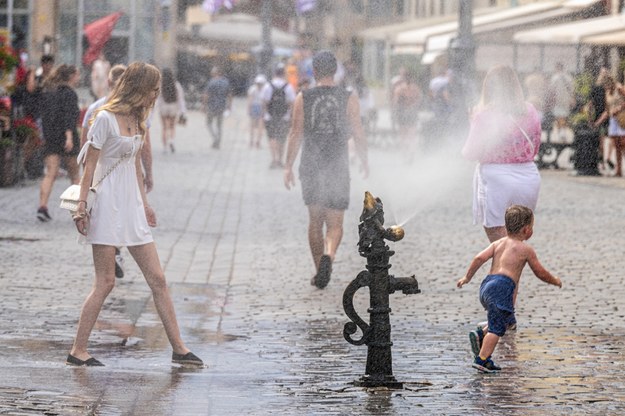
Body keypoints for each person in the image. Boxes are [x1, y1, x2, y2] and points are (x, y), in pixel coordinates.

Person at [69, 62, 203, 367]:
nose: (157, 94)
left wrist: (145, 204)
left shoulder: (139, 119)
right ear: (138, 87)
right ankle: (78, 349)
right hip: (105, 205)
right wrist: (80, 207)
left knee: (158, 278)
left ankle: (179, 348)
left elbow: (134, 167)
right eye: (153, 88)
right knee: (105, 282)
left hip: (131, 205)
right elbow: (88, 167)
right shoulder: (104, 118)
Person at [283, 50, 369, 289]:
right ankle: (329, 256)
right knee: (335, 223)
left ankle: (318, 268)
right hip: (338, 164)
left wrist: (288, 165)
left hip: (311, 164)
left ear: (314, 71)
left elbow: (295, 133)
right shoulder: (348, 97)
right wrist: (364, 160)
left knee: (315, 221)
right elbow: (358, 131)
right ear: (335, 71)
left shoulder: (303, 97)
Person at [457, 205, 562, 373]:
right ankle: (482, 359)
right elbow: (540, 272)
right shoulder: (525, 249)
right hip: (502, 287)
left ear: (506, 227)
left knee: (506, 321)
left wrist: (467, 277)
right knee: (497, 329)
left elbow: (479, 258)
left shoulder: (498, 243)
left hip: (486, 286)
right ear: (527, 230)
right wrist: (554, 280)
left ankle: (481, 335)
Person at [462, 65, 542, 243]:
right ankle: (512, 270)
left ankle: (500, 271)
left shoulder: (485, 115)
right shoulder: (530, 110)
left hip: (497, 179)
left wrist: (472, 121)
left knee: (499, 240)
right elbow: (535, 146)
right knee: (517, 240)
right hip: (528, 176)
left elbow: (471, 152)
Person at [36, 64, 81, 222]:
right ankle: (75, 210)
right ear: (71, 76)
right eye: (77, 75)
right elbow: (69, 116)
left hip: (51, 137)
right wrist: (68, 136)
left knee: (50, 173)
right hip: (66, 136)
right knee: (74, 175)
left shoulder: (49, 92)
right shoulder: (69, 94)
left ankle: (42, 206)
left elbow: (45, 116)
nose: (79, 77)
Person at [262, 64, 296, 168]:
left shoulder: (268, 86)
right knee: (282, 138)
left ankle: (274, 159)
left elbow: (264, 102)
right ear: (283, 73)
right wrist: (291, 116)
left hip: (270, 116)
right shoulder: (288, 86)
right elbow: (292, 103)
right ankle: (280, 160)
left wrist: (265, 114)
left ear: (274, 73)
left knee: (272, 137)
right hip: (284, 117)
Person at [594, 74, 625, 177]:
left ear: (611, 82)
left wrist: (619, 108)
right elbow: (607, 111)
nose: (606, 88)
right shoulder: (607, 92)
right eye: (604, 86)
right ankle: (618, 171)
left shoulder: (619, 88)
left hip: (622, 118)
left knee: (623, 143)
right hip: (613, 121)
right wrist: (598, 122)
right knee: (617, 146)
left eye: (606, 85)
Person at [157, 68, 187, 154]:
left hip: (164, 107)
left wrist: (154, 109)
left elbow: (158, 99)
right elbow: (180, 99)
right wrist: (182, 111)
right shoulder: (176, 85)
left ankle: (165, 147)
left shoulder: (161, 85)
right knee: (172, 127)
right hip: (173, 107)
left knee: (164, 128)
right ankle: (171, 141)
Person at [392, 70, 421, 158]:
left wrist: (395, 114)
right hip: (412, 112)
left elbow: (395, 102)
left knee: (403, 135)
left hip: (402, 112)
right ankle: (411, 151)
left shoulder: (399, 88)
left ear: (403, 78)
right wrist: (413, 105)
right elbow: (419, 101)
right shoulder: (415, 88)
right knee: (412, 134)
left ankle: (405, 153)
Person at [203, 66, 231, 149]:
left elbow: (206, 95)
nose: (211, 73)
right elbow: (229, 95)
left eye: (212, 72)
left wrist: (204, 105)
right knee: (219, 125)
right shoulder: (226, 82)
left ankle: (215, 138)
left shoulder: (211, 82)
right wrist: (229, 105)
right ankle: (218, 142)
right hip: (222, 106)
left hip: (211, 106)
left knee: (208, 123)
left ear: (216, 73)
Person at [548, 62, 574, 143]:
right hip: (566, 100)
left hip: (557, 100)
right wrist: (572, 99)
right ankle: (562, 133)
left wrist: (551, 101)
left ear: (557, 68)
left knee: (558, 117)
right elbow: (572, 89)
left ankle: (561, 134)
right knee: (564, 117)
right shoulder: (568, 78)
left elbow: (552, 90)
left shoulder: (555, 78)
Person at [247, 74, 266, 148]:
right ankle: (258, 141)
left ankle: (252, 141)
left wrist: (248, 109)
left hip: (254, 106)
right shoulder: (265, 89)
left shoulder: (252, 89)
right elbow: (265, 100)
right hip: (261, 107)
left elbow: (250, 100)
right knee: (260, 126)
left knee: (252, 125)